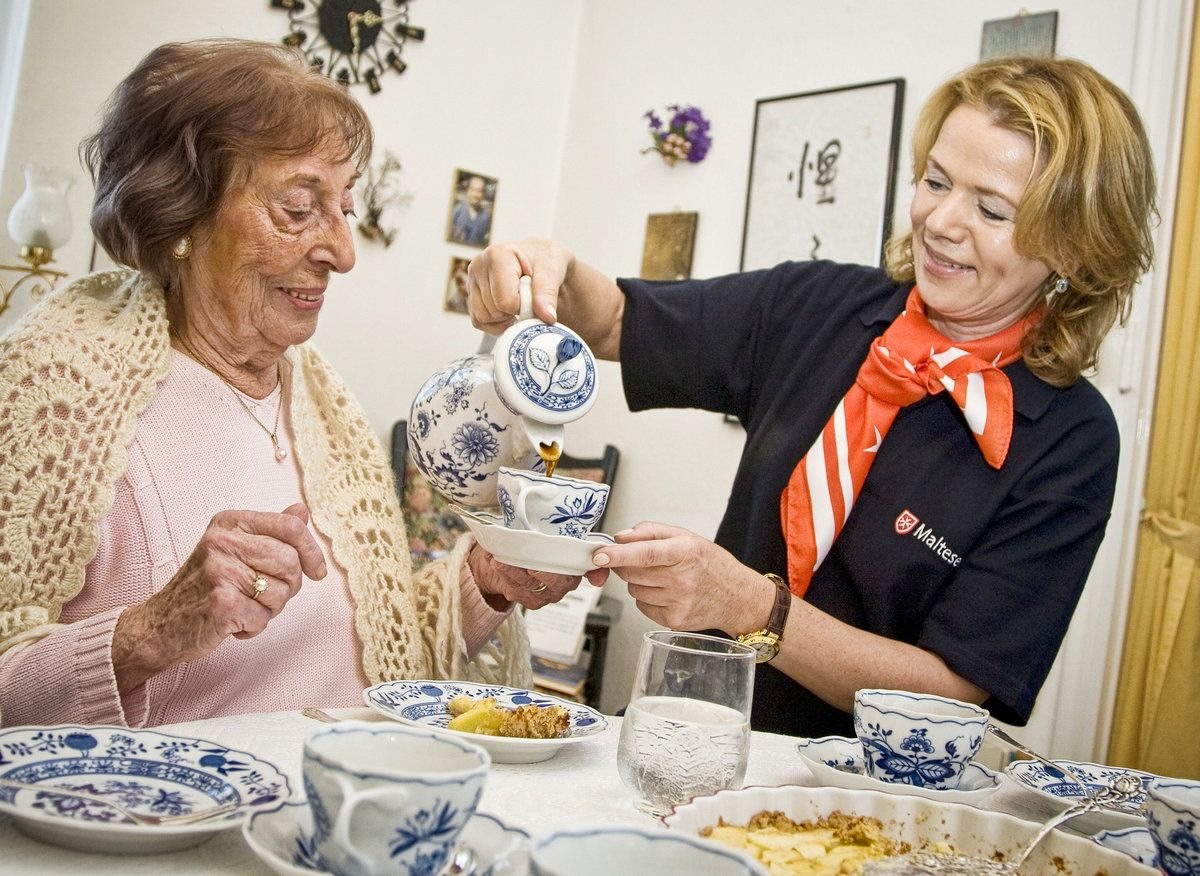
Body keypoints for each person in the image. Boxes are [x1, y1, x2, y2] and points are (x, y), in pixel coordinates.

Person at [467, 56, 1158, 738]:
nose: (942, 221)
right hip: (680, 732)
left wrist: (748, 606)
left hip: (855, 804)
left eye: (991, 209)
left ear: (1074, 246)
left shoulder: (1071, 439)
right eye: (935, 181)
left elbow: (954, 693)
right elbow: (618, 319)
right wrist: (543, 270)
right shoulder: (819, 305)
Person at [0, 39, 596, 729]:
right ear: (182, 215)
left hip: (341, 806)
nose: (341, 252)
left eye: (343, 207)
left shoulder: (320, 399)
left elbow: (372, 650)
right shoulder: (54, 391)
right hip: (164, 825)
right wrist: (148, 635)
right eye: (298, 208)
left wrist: (486, 585)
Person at [450, 175, 493, 246]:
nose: (475, 195)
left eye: (479, 191)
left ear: (483, 194)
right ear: (467, 191)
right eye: (473, 190)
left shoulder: (485, 218)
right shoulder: (458, 210)